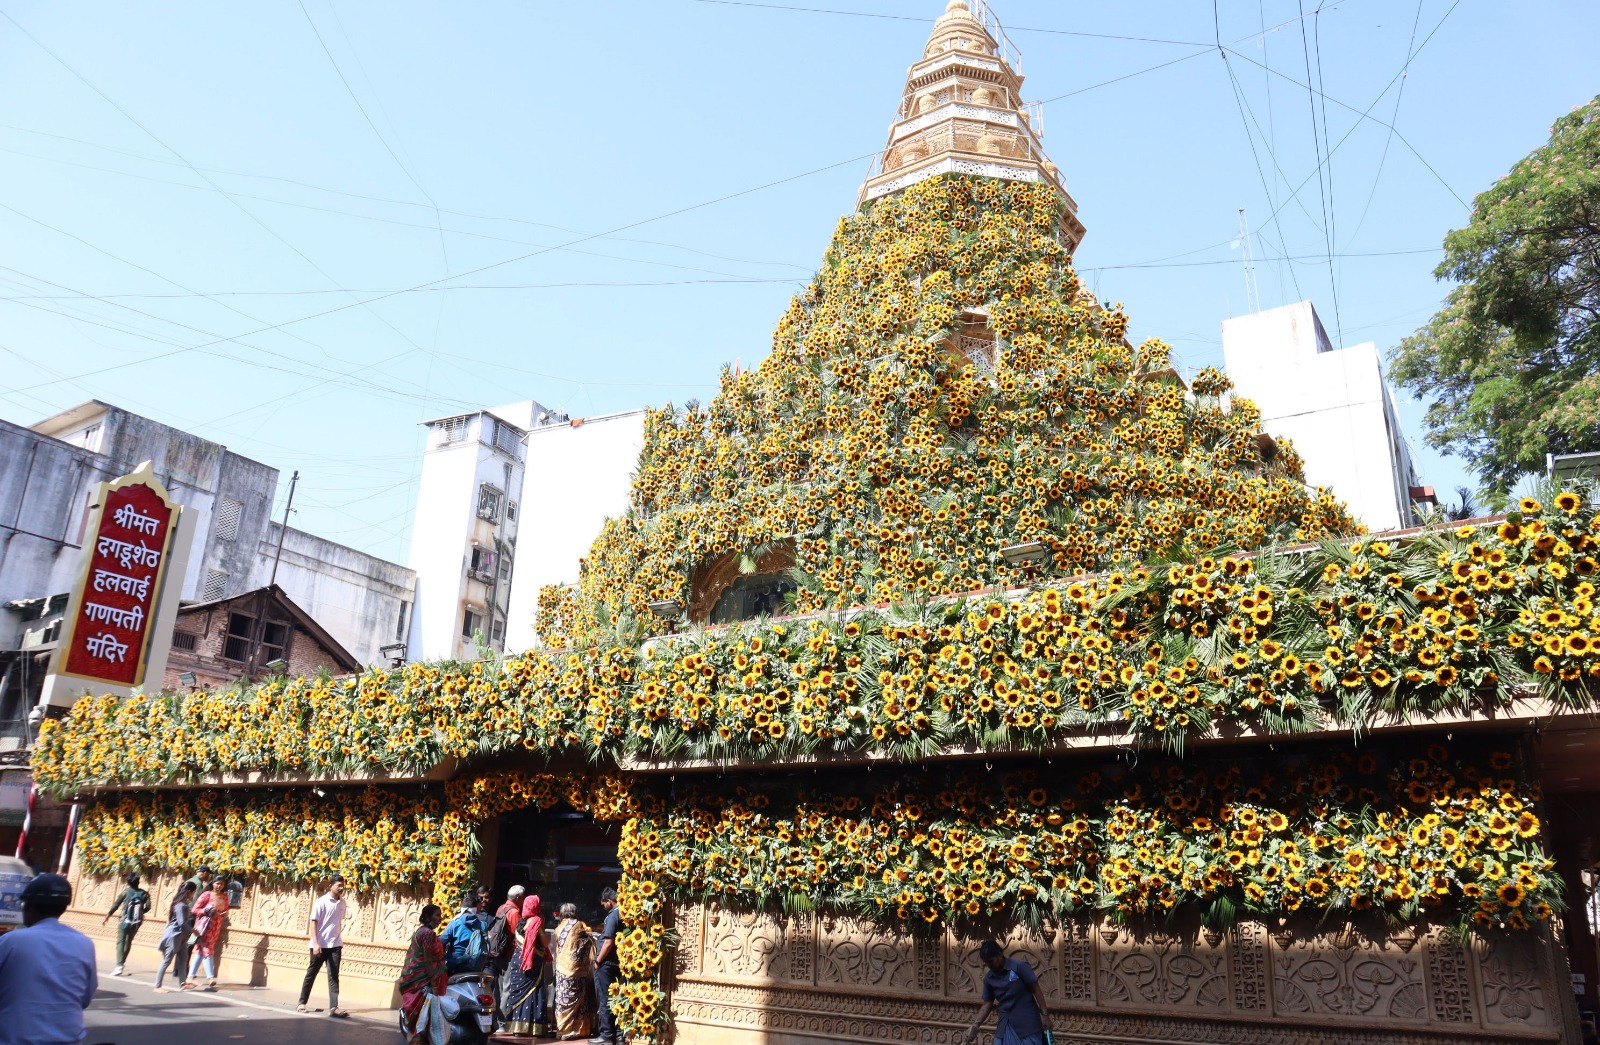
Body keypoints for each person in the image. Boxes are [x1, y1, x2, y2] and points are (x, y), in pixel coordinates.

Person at [0, 873, 98, 1044]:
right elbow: (85, 998)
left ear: (29, 907)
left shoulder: (12, 941)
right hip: (69, 1039)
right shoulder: (85, 944)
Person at [960, 940, 1052, 1045]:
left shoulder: (1019, 966)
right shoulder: (989, 978)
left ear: (1000, 955)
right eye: (986, 963)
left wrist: (1045, 1016)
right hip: (1005, 1024)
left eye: (991, 961)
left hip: (1027, 1023)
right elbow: (987, 1004)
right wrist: (975, 1025)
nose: (989, 966)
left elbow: (1036, 990)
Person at [298, 874, 349, 1017]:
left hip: (335, 945)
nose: (342, 888)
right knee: (311, 973)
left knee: (333, 976)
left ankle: (334, 1007)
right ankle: (302, 1002)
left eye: (343, 885)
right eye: (339, 885)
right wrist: (315, 943)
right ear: (330, 886)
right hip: (320, 945)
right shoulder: (322, 902)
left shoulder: (343, 903)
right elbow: (313, 921)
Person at [398, 903, 449, 1045]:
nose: (440, 918)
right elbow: (427, 960)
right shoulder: (427, 933)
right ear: (427, 917)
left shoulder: (423, 931)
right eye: (437, 915)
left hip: (421, 976)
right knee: (424, 1013)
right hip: (423, 979)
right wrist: (433, 983)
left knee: (425, 1013)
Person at [502, 894, 549, 1036]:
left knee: (518, 991)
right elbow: (545, 943)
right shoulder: (536, 921)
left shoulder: (521, 921)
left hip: (518, 959)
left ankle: (517, 1028)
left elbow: (520, 940)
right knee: (534, 991)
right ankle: (534, 1028)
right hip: (532, 962)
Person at [551, 903, 594, 1041]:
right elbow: (586, 942)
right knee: (578, 1001)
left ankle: (563, 1029)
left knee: (563, 999)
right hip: (577, 970)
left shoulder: (559, 928)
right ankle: (579, 1030)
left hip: (561, 969)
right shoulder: (579, 925)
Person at [101, 870, 152, 976]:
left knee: (121, 941)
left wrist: (108, 915)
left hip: (124, 920)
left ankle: (119, 966)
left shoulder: (126, 892)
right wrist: (142, 912)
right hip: (136, 922)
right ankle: (122, 963)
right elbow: (148, 906)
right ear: (138, 882)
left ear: (128, 882)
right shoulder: (144, 894)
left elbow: (116, 905)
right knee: (128, 941)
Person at [183, 875, 229, 991]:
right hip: (204, 926)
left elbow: (225, 910)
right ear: (212, 883)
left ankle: (190, 976)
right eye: (217, 883)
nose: (219, 886)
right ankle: (210, 977)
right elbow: (195, 909)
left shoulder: (224, 897)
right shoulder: (206, 895)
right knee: (207, 950)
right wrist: (205, 911)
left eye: (222, 884)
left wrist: (224, 914)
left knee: (201, 951)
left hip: (216, 926)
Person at [590, 887, 623, 1045]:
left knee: (605, 999)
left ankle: (606, 1035)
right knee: (615, 999)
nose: (603, 907)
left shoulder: (612, 916)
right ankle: (618, 1035)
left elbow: (608, 941)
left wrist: (598, 961)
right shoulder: (623, 914)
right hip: (616, 963)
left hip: (606, 964)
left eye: (603, 904)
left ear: (609, 902)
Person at [154, 880, 197, 992]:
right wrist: (193, 931)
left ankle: (182, 983)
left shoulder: (182, 904)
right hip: (174, 934)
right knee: (167, 960)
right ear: (189, 892)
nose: (194, 894)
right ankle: (157, 986)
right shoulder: (180, 905)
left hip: (181, 935)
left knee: (183, 959)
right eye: (193, 892)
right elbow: (181, 922)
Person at [439, 891, 489, 973]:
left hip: (454, 965)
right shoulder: (483, 925)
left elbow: (442, 941)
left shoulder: (454, 923)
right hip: (475, 966)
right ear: (475, 909)